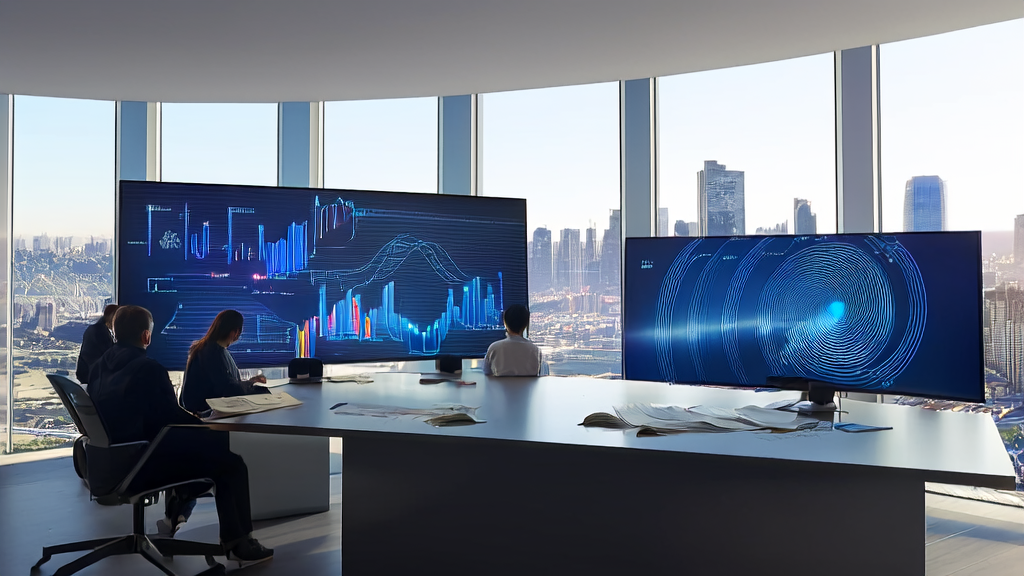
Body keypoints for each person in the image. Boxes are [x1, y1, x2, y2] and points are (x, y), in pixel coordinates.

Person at [87, 305, 273, 565]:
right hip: (139, 465)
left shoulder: (98, 367)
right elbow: (172, 421)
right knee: (231, 464)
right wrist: (206, 427)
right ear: (146, 336)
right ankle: (239, 543)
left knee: (202, 451)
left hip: (104, 463)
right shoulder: (148, 369)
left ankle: (176, 515)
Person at [180, 310, 269, 414]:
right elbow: (231, 390)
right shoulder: (213, 353)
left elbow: (226, 382)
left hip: (204, 410)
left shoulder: (208, 348)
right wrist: (251, 382)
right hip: (206, 413)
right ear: (235, 332)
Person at [484, 304, 542, 376]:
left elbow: (487, 374)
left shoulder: (494, 348)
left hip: (499, 387)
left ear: (505, 323)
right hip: (526, 387)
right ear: (525, 325)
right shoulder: (534, 350)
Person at [75, 304, 119, 384]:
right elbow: (109, 356)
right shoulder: (100, 332)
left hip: (90, 376)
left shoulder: (96, 329)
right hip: (95, 378)